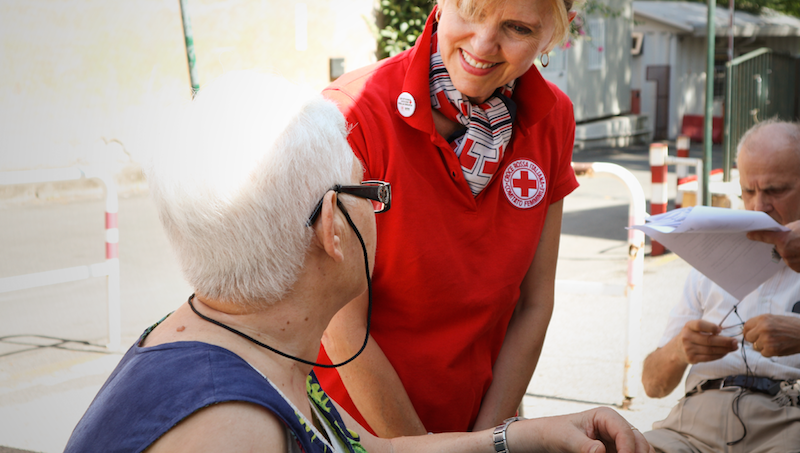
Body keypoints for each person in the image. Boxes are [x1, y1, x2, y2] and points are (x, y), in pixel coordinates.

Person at [64, 71, 652, 453]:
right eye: (368, 190)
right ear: (332, 228)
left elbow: (371, 449)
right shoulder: (230, 428)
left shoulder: (242, 347)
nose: (380, 204)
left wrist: (530, 436)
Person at [316, 0, 587, 436]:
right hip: (352, 431)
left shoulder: (554, 119)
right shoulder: (351, 115)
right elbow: (338, 323)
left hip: (479, 423)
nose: (483, 45)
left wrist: (487, 442)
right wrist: (425, 450)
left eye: (519, 28)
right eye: (471, 10)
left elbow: (535, 303)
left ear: (555, 31)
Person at [641, 119, 800, 452]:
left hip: (786, 419)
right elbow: (652, 385)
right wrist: (678, 351)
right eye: (749, 191)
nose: (759, 207)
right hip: (694, 422)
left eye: (775, 190)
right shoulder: (713, 260)